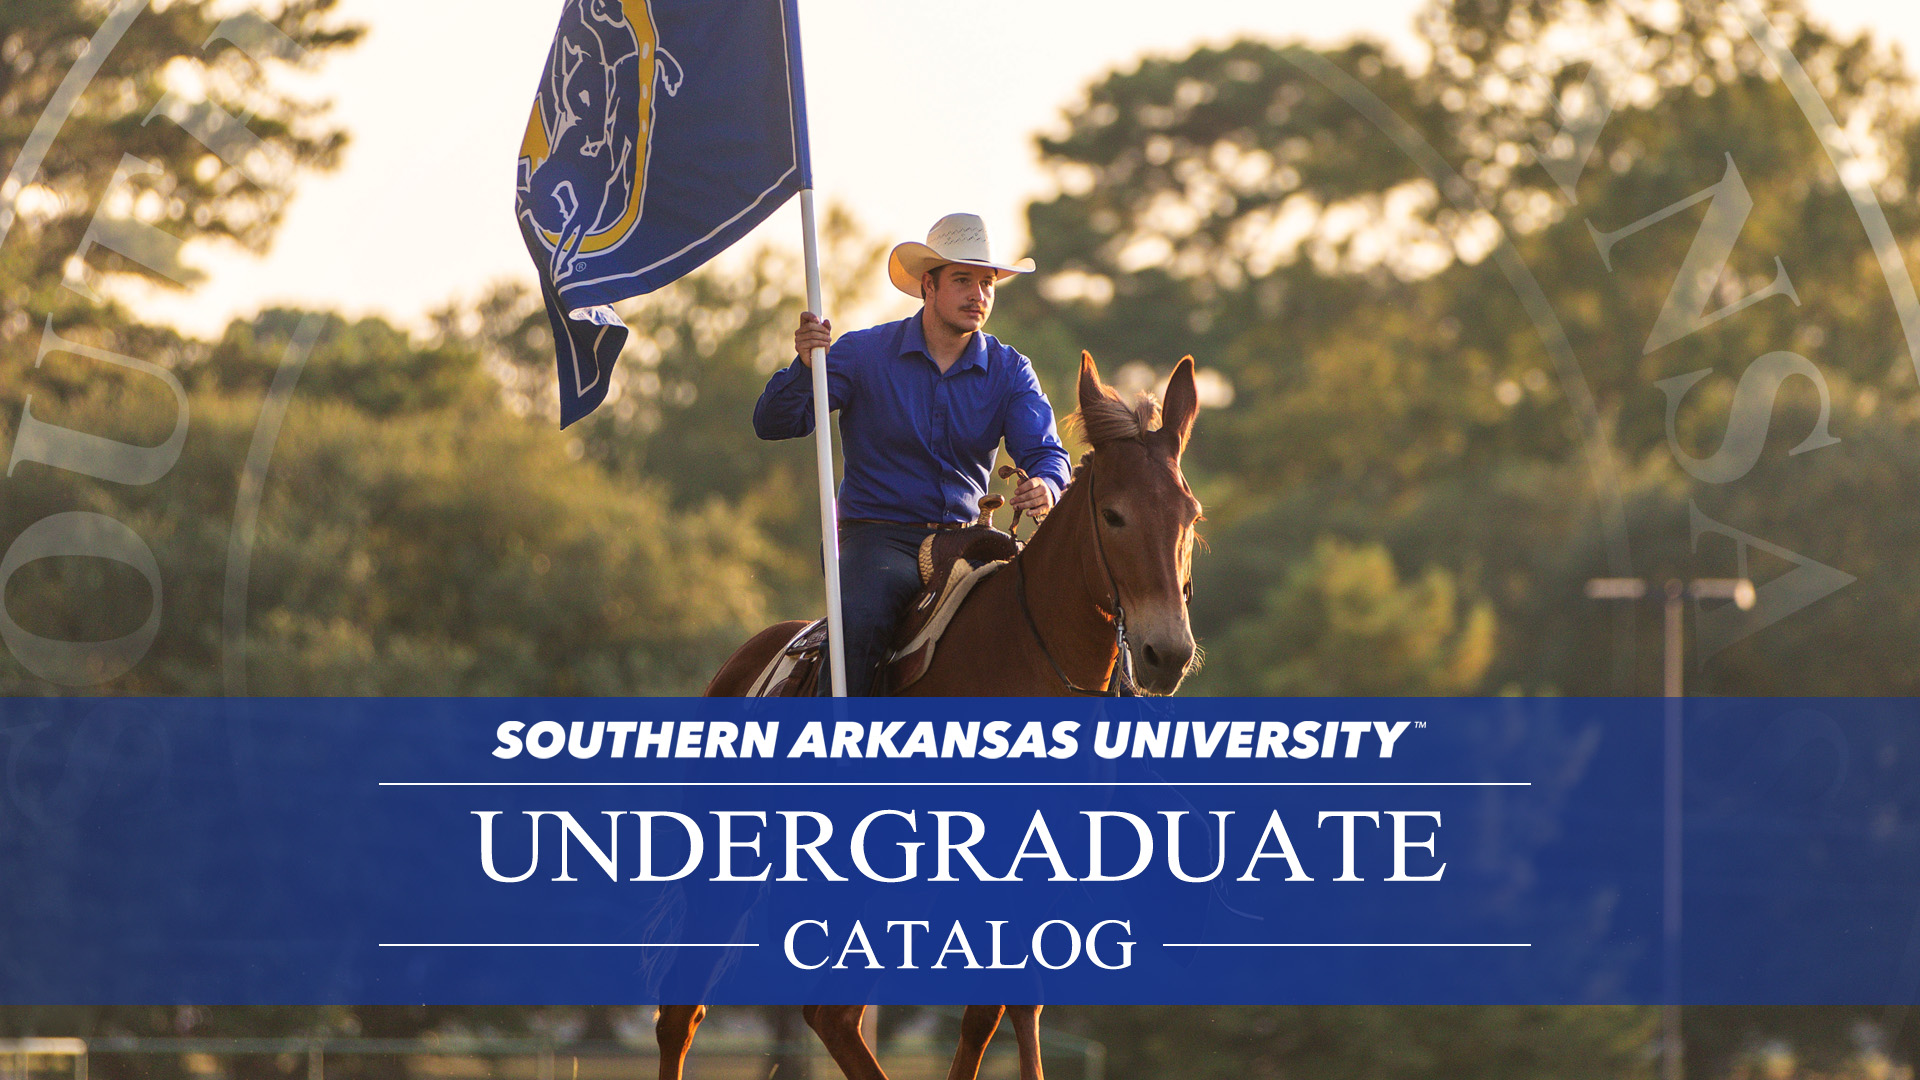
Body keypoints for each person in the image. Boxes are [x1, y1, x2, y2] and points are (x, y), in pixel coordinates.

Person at [753, 212, 1073, 695]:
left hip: (968, 541)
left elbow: (1048, 453)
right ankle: (833, 752)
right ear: (929, 285)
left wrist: (1046, 485)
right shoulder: (862, 354)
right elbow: (774, 423)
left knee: (1060, 611)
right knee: (859, 626)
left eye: (987, 283)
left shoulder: (1012, 371)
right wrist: (803, 367)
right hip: (874, 538)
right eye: (963, 280)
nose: (978, 295)